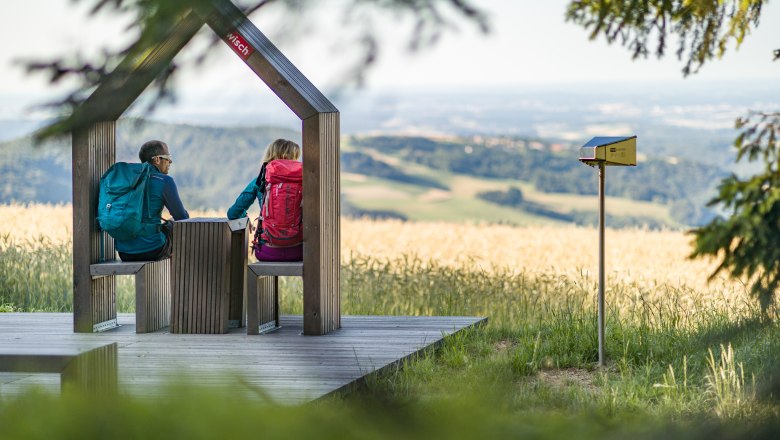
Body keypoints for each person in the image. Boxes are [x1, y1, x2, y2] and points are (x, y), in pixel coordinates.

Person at [227, 138, 303, 261]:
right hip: (299, 251)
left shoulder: (260, 181)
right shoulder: (304, 181)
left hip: (268, 251)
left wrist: (245, 217)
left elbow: (232, 213)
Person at [116, 140, 190, 261]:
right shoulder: (164, 181)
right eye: (167, 157)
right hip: (152, 249)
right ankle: (177, 279)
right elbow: (181, 218)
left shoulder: (128, 180)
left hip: (124, 252)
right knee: (174, 227)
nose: (170, 161)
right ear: (157, 160)